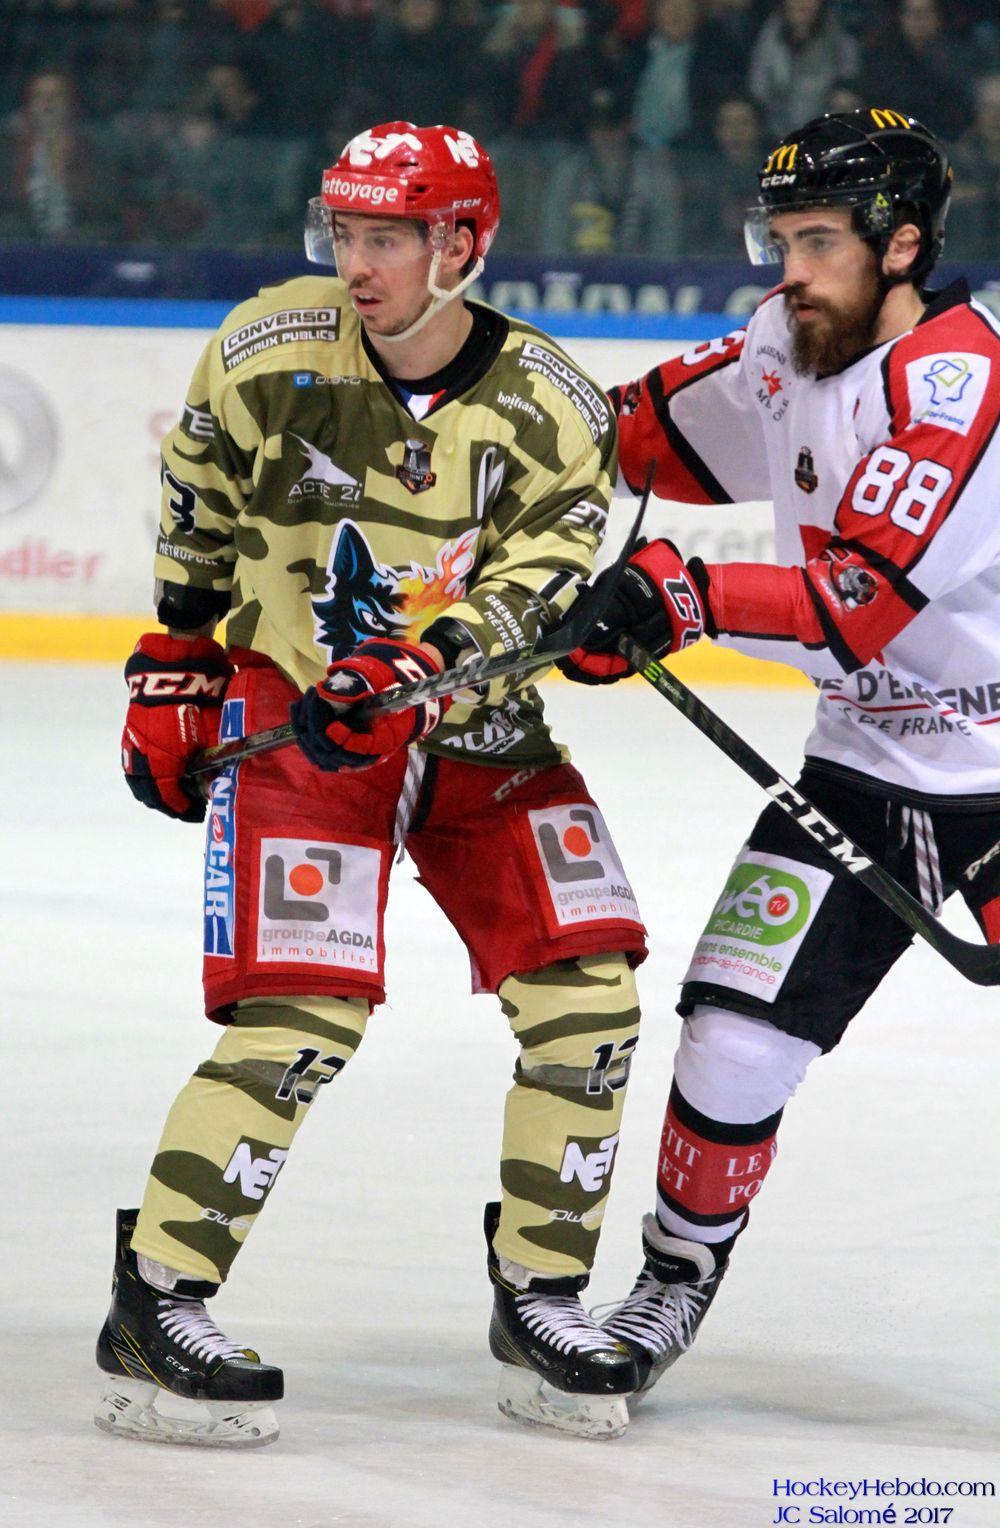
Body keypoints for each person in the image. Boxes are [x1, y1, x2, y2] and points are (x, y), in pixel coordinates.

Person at [94, 121, 648, 1448]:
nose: (357, 263)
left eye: (387, 237)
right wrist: (178, 657)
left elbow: (535, 587)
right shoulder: (269, 349)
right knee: (298, 1016)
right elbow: (199, 494)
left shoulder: (553, 404)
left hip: (478, 733)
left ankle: (541, 1293)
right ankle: (157, 1299)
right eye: (343, 232)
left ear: (464, 243)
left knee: (590, 997)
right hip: (304, 714)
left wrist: (423, 662)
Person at [559, 108, 1000, 1395]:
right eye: (778, 239)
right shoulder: (784, 344)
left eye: (817, 242)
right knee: (732, 1039)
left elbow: (854, 604)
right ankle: (674, 1277)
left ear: (901, 246)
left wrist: (680, 598)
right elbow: (627, 437)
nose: (788, 269)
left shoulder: (958, 384)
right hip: (857, 773)